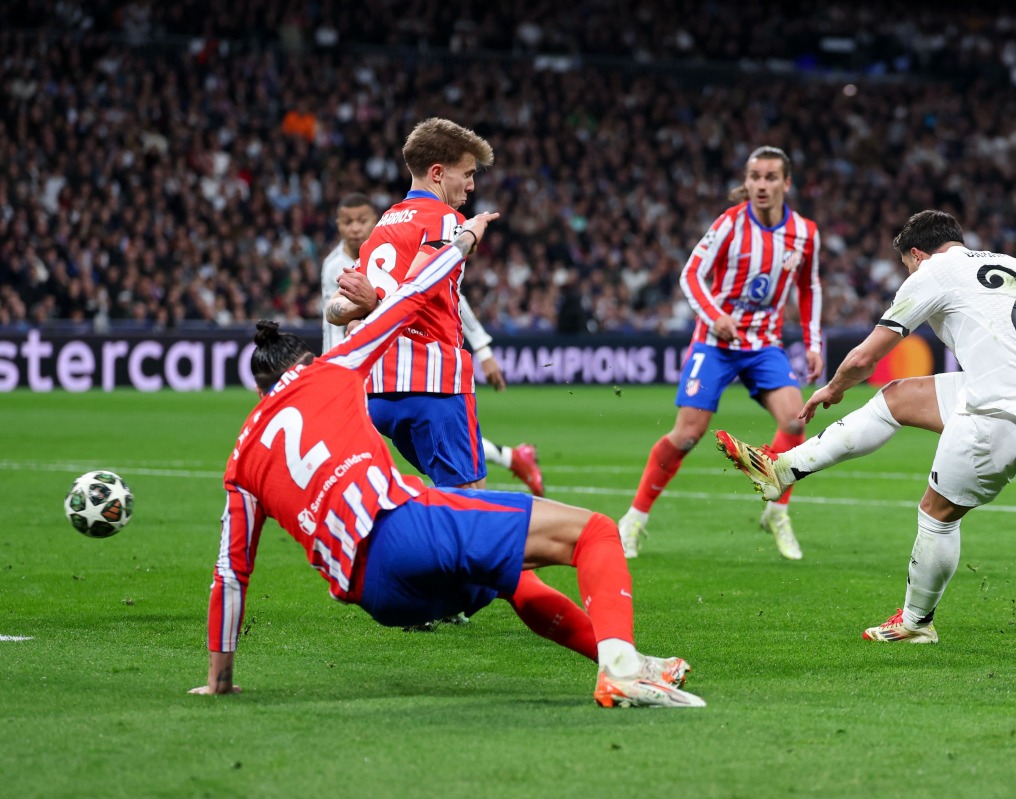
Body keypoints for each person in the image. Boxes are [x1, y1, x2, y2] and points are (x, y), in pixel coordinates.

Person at [191, 214, 705, 708]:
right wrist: (462, 241)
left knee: (509, 577)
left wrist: (220, 680)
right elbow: (413, 297)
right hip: (405, 529)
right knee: (595, 533)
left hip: (377, 597)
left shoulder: (242, 459)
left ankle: (627, 662)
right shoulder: (329, 370)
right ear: (300, 366)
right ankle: (619, 672)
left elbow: (230, 573)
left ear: (259, 392)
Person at [715, 209, 1016, 642]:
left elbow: (865, 357)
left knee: (937, 514)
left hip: (1004, 415)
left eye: (906, 264)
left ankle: (916, 623)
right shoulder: (1013, 265)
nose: (907, 272)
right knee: (898, 398)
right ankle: (782, 470)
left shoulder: (933, 273)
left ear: (918, 254)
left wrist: (832, 389)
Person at [617, 146, 824, 560]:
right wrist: (714, 316)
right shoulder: (730, 224)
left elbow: (808, 287)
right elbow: (690, 274)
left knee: (794, 420)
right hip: (716, 343)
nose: (761, 185)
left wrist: (814, 342)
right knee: (688, 433)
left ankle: (776, 511)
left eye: (769, 177)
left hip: (765, 344)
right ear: (746, 182)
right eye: (754, 177)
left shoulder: (805, 232)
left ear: (786, 183)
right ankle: (634, 520)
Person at [326, 118, 544, 498]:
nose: (472, 185)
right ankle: (518, 557)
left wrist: (369, 305)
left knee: (449, 497)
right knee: (472, 499)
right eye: (468, 174)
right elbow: (418, 287)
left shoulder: (385, 224)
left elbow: (336, 310)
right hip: (433, 386)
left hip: (380, 394)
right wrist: (467, 235)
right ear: (438, 173)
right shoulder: (445, 220)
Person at [320, 193, 376, 354]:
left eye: (362, 221)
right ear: (338, 225)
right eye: (348, 222)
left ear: (375, 220)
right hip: (349, 352)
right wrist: (333, 359)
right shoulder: (332, 266)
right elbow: (330, 322)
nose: (355, 228)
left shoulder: (386, 255)